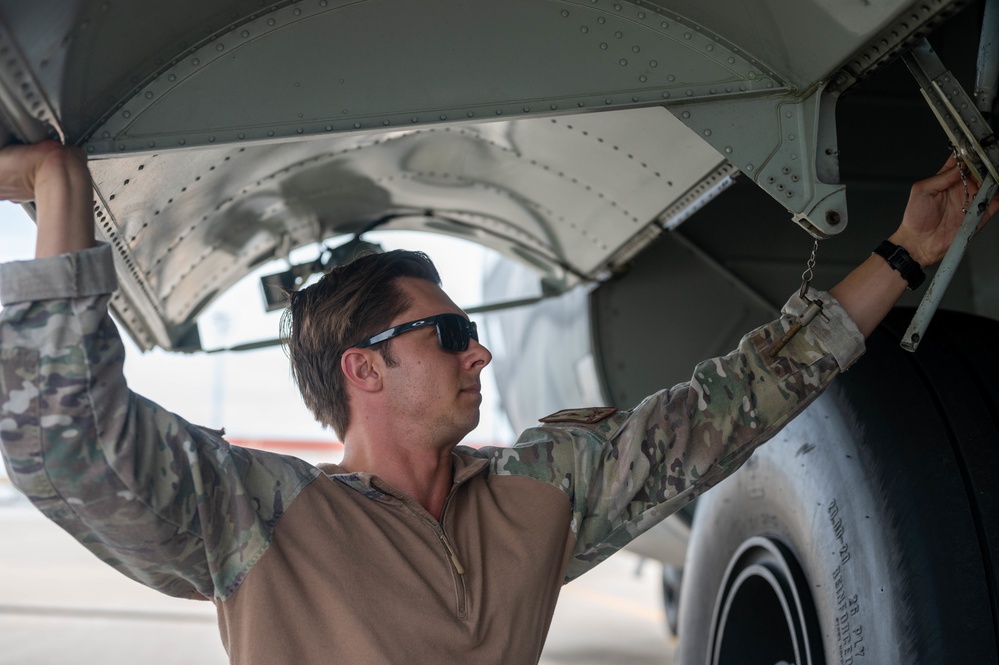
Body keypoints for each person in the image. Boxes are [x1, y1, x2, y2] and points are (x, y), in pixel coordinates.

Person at [0, 140, 994, 664]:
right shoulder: (261, 518)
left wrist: (907, 251)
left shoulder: (539, 495)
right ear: (364, 369)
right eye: (444, 331)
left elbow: (744, 397)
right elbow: (70, 439)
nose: (480, 349)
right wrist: (59, 185)